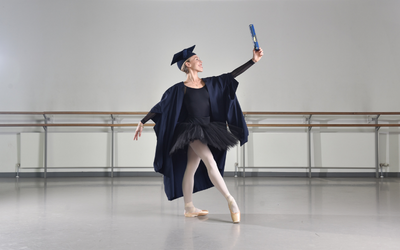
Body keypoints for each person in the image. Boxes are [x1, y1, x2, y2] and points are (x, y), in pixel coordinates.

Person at [134, 45, 263, 223]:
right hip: (191, 130)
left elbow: (231, 76)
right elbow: (161, 107)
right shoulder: (179, 89)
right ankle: (230, 200)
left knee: (191, 167)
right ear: (187, 64)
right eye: (197, 59)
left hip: (208, 128)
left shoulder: (210, 84)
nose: (200, 61)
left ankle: (189, 207)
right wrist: (143, 120)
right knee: (209, 161)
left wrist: (253, 61)